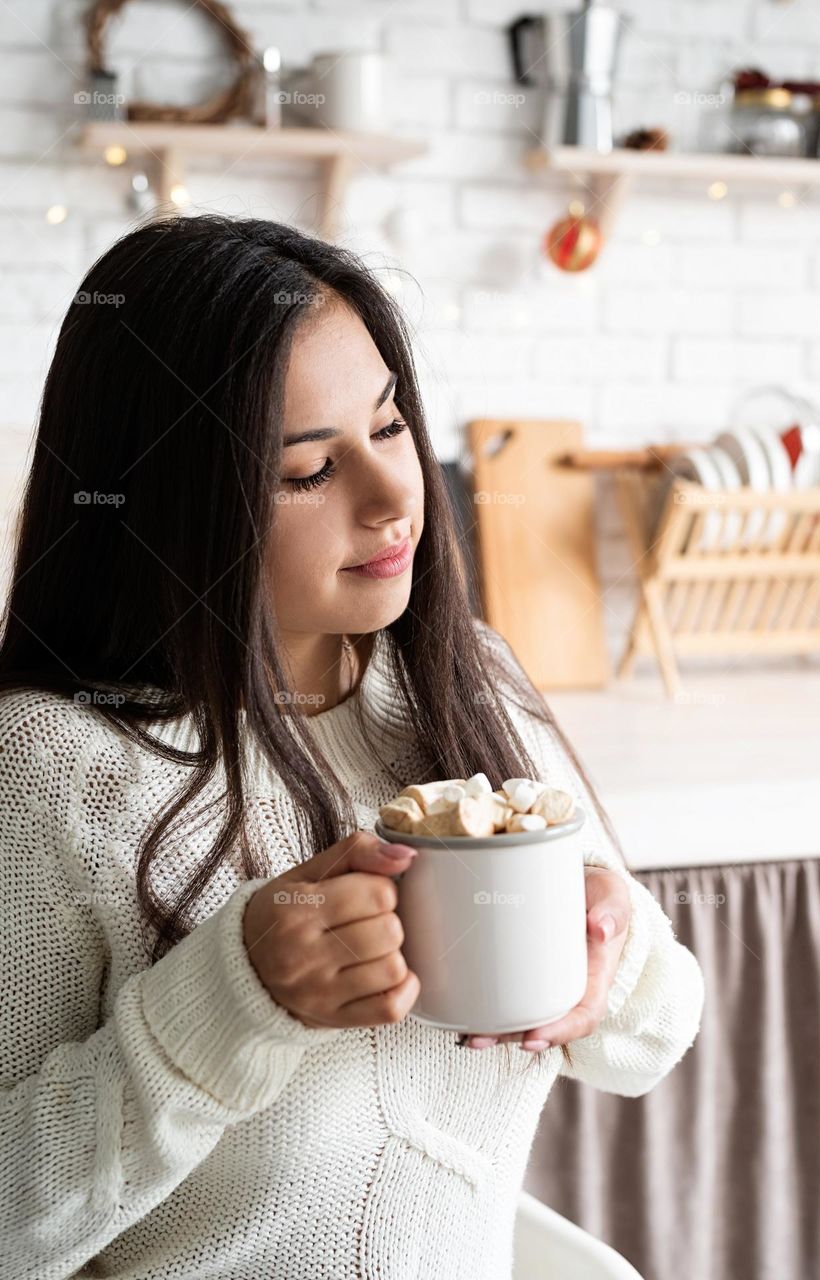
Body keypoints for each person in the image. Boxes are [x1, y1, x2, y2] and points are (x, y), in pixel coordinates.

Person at [0, 215, 704, 1280]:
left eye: (388, 425)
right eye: (308, 470)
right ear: (167, 502)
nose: (394, 498)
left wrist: (613, 946)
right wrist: (232, 997)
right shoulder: (54, 765)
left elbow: (651, 1041)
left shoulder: (464, 679)